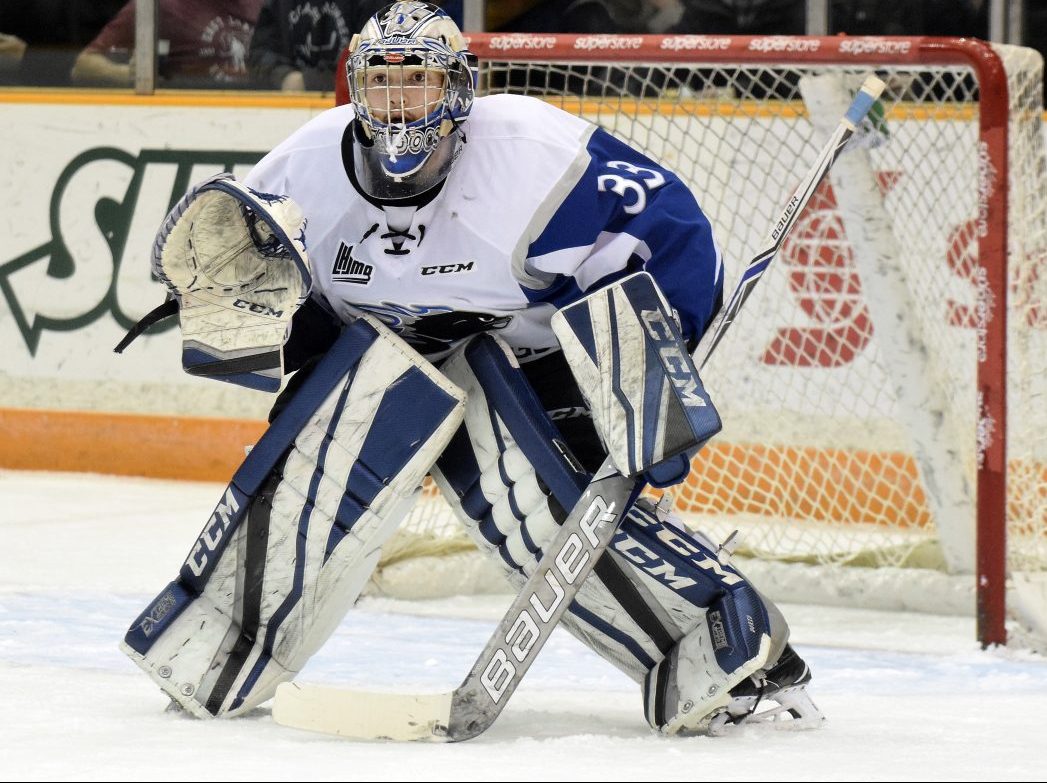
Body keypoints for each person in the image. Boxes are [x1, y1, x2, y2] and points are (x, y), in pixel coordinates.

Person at [120, 1, 823, 736]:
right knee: (316, 472)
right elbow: (290, 306)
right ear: (357, 90)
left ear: (458, 91)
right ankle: (224, 642)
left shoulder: (535, 157)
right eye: (382, 86)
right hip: (388, 346)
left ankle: (732, 655)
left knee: (539, 509)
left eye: (417, 84)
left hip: (537, 356)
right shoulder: (302, 168)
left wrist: (647, 376)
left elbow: (673, 234)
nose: (398, 107)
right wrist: (271, 341)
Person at [70, 0, 263, 87]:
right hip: (190, 114)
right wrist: (131, 74)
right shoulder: (160, 6)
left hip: (260, 106)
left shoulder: (262, 4)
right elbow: (83, 65)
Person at [247, 0, 389, 91]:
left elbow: (377, 62)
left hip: (348, 111)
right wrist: (284, 77)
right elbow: (259, 53)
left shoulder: (373, 3)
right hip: (287, 106)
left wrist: (308, 82)